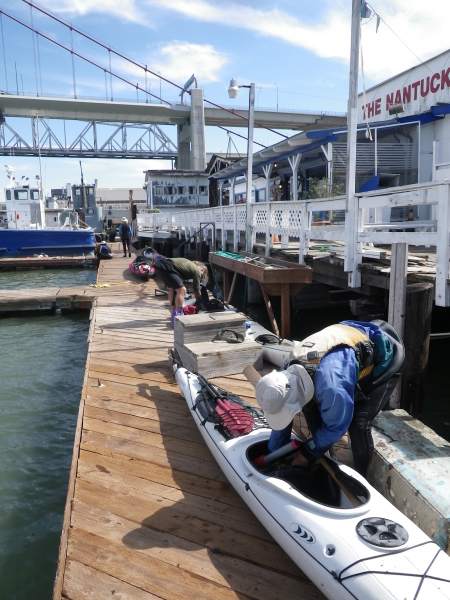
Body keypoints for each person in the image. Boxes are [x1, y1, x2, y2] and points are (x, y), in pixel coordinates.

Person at [253, 320, 404, 476]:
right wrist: (274, 453)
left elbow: (337, 427)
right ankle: (321, 457)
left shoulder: (332, 387)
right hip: (345, 349)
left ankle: (362, 474)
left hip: (384, 357)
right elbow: (283, 420)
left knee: (358, 422)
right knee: (312, 412)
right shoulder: (287, 370)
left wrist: (306, 454)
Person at [146, 250, 208, 325]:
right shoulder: (197, 271)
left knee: (172, 289)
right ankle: (178, 314)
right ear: (201, 269)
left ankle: (173, 313)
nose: (201, 274)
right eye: (203, 272)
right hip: (168, 267)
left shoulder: (187, 265)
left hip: (159, 266)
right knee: (182, 289)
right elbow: (196, 289)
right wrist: (200, 301)